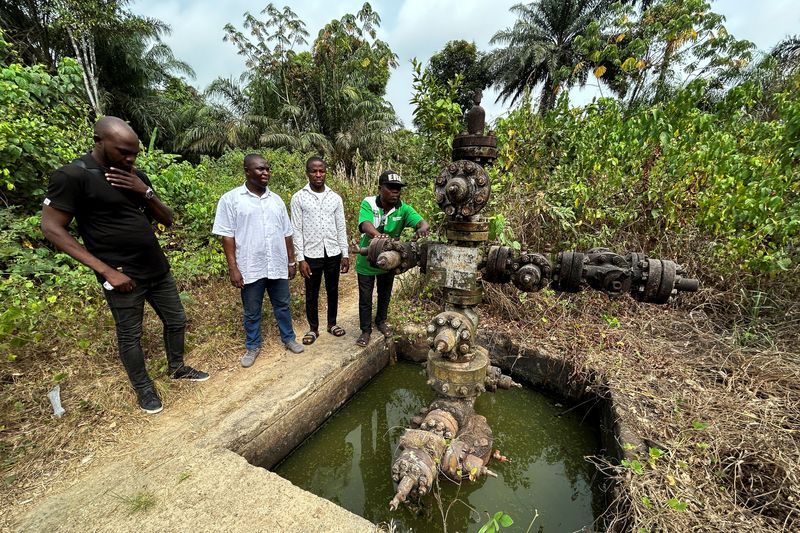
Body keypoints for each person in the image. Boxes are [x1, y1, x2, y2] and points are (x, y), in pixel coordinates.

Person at [41, 116, 209, 415]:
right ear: (99, 141)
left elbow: (167, 219)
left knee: (177, 320)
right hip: (121, 275)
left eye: (134, 153)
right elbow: (53, 229)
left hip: (157, 268)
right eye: (122, 152)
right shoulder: (73, 176)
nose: (129, 159)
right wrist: (106, 271)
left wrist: (143, 189)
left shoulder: (136, 175)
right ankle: (144, 388)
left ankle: (177, 367)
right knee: (130, 335)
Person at [212, 154, 304, 367]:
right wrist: (233, 268)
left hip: (277, 264)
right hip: (251, 266)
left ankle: (288, 338)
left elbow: (287, 233)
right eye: (260, 169)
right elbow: (227, 236)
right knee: (252, 310)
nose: (265, 173)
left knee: (282, 304)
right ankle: (253, 346)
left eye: (267, 169)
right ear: (247, 171)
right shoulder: (231, 199)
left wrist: (291, 261)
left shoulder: (276, 200)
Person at [355, 170, 429, 347]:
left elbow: (422, 222)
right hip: (367, 261)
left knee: (384, 294)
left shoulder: (403, 209)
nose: (396, 191)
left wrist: (422, 228)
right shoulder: (369, 203)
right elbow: (365, 224)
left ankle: (381, 321)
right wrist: (378, 236)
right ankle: (365, 330)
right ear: (380, 188)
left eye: (398, 188)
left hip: (389, 261)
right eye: (391, 188)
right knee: (365, 298)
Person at [290, 157, 350, 345]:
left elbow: (341, 227)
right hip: (311, 255)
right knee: (312, 292)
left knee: (333, 290)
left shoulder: (335, 197)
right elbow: (296, 230)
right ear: (307, 173)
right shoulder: (298, 197)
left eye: (321, 171)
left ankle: (332, 324)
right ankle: (313, 328)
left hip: (333, 252)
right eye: (314, 171)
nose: (318, 175)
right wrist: (301, 259)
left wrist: (345, 254)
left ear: (325, 172)